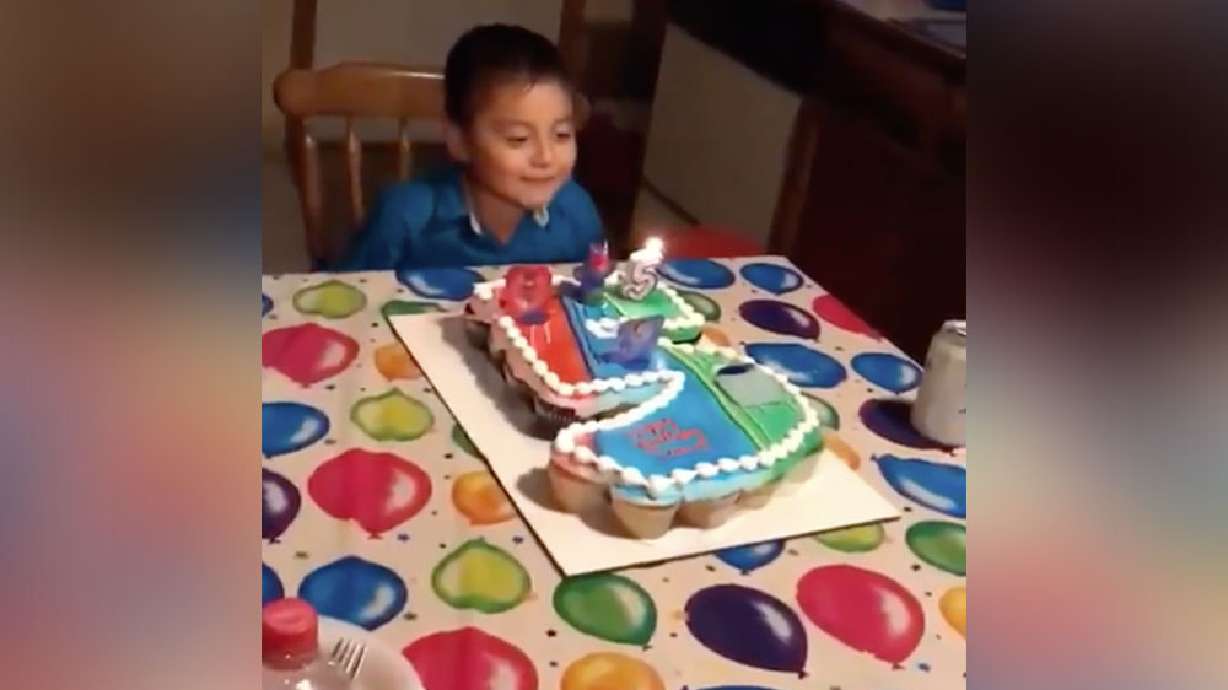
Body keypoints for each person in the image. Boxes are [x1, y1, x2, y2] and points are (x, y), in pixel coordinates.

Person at [335, 23, 603, 271]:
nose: (546, 157)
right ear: (460, 141)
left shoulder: (577, 212)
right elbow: (348, 299)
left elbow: (590, 296)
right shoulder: (405, 216)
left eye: (562, 134)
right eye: (518, 139)